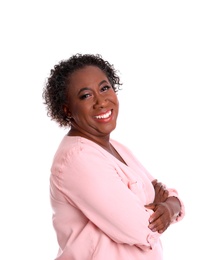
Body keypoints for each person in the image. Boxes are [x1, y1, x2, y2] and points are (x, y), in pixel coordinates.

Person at [42, 53, 185, 260]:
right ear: (67, 110)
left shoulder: (115, 147)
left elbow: (163, 192)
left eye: (104, 88)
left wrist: (171, 206)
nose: (101, 101)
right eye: (85, 95)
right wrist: (162, 209)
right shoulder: (78, 158)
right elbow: (138, 227)